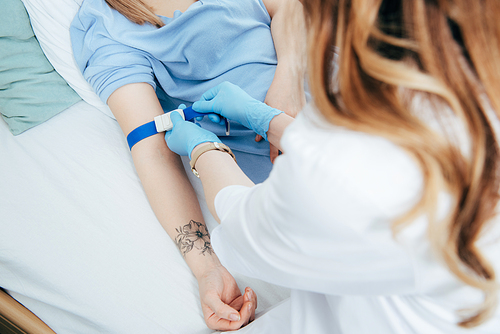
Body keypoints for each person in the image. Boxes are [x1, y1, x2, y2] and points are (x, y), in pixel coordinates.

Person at [164, 0, 500, 332]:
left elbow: (247, 222)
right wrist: (269, 121)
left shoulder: (335, 175)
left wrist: (202, 148)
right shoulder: (474, 92)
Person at [70, 0, 305, 331]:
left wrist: (289, 80)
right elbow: (152, 149)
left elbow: (289, 7)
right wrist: (207, 267)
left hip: (356, 103)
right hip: (293, 172)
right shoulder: (106, 26)